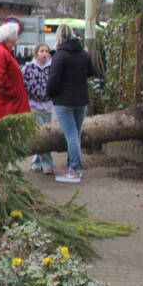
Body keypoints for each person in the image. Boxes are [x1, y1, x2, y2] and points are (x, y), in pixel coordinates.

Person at [48, 23, 98, 184]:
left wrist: (50, 94)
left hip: (64, 101)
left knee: (71, 135)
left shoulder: (60, 55)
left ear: (59, 37)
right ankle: (74, 166)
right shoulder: (83, 53)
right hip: (81, 100)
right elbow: (91, 72)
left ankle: (74, 169)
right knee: (76, 134)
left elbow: (53, 79)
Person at [0, 22, 30, 123]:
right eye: (15, 35)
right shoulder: (0, 52)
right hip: (7, 106)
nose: (17, 37)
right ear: (8, 38)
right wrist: (13, 93)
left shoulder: (4, 52)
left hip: (9, 104)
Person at [22, 43, 54, 175]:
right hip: (34, 105)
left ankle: (36, 162)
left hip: (48, 105)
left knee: (45, 134)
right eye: (42, 51)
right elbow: (23, 83)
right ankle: (47, 164)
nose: (44, 53)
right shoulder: (29, 67)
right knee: (41, 134)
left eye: (46, 51)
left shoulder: (52, 67)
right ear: (36, 53)